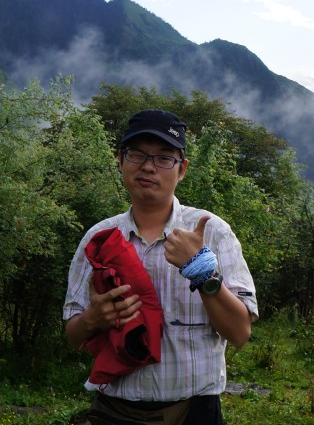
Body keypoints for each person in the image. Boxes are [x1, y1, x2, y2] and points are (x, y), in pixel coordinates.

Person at [63, 109, 258, 425]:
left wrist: (200, 269)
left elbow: (239, 333)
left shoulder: (212, 232)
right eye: (137, 154)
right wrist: (93, 318)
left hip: (194, 413)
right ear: (120, 160)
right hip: (113, 412)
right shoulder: (99, 239)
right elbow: (73, 336)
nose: (148, 166)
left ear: (182, 170)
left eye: (164, 157)